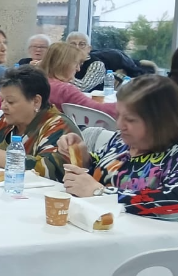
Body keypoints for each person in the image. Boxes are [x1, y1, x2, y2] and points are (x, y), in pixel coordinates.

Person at [59, 75, 178, 220]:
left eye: (130, 119)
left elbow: (172, 204)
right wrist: (83, 156)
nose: (119, 125)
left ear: (160, 122)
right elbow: (98, 170)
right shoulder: (121, 141)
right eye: (118, 115)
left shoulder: (173, 155)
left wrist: (101, 193)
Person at [0, 66, 81, 180]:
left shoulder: (59, 126)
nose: (3, 106)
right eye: (2, 100)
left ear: (36, 101)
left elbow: (49, 169)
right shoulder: (8, 121)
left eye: (10, 102)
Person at [39, 42, 118, 117]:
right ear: (64, 64)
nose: (78, 69)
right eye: (76, 64)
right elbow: (97, 110)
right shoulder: (64, 90)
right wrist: (122, 106)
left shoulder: (38, 81)